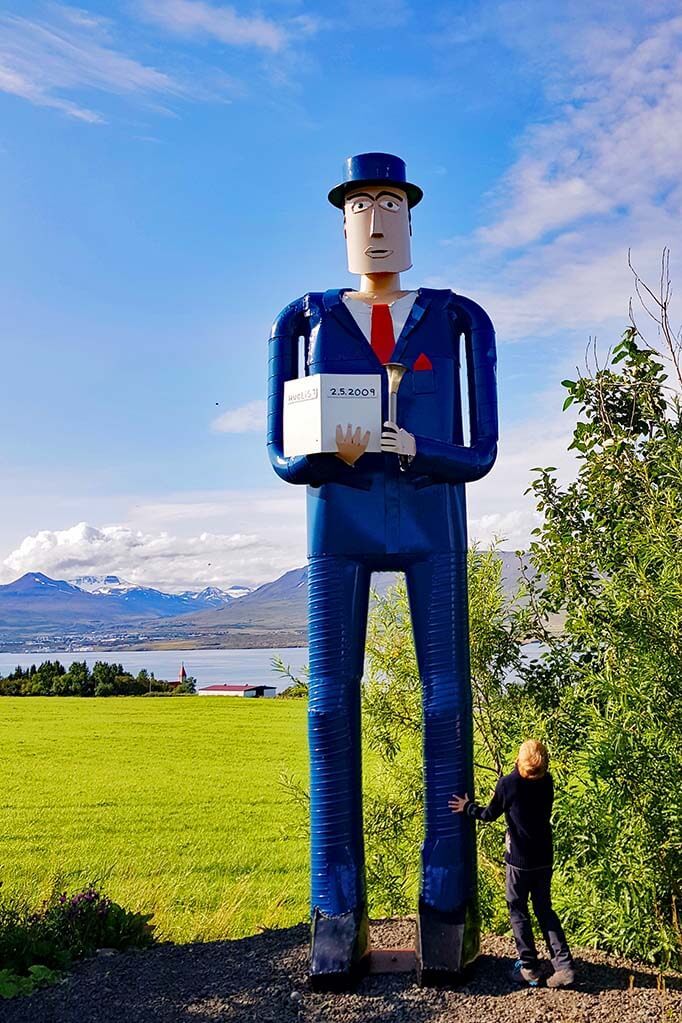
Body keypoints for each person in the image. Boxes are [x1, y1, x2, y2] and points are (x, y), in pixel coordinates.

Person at [268, 153, 498, 987]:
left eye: (388, 204)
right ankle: (338, 910)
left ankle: (447, 909)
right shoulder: (301, 318)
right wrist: (321, 456)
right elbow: (279, 453)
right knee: (329, 708)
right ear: (341, 223)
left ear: (411, 219)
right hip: (338, 518)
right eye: (358, 206)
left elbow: (482, 451)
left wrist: (418, 447)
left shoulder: (459, 317)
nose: (374, 220)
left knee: (446, 702)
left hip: (432, 515)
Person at [449, 739, 575, 988]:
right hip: (543, 859)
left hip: (519, 861)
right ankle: (564, 966)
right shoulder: (547, 782)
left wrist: (467, 807)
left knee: (517, 910)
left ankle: (529, 967)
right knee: (544, 910)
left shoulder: (509, 784)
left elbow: (488, 814)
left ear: (519, 761)